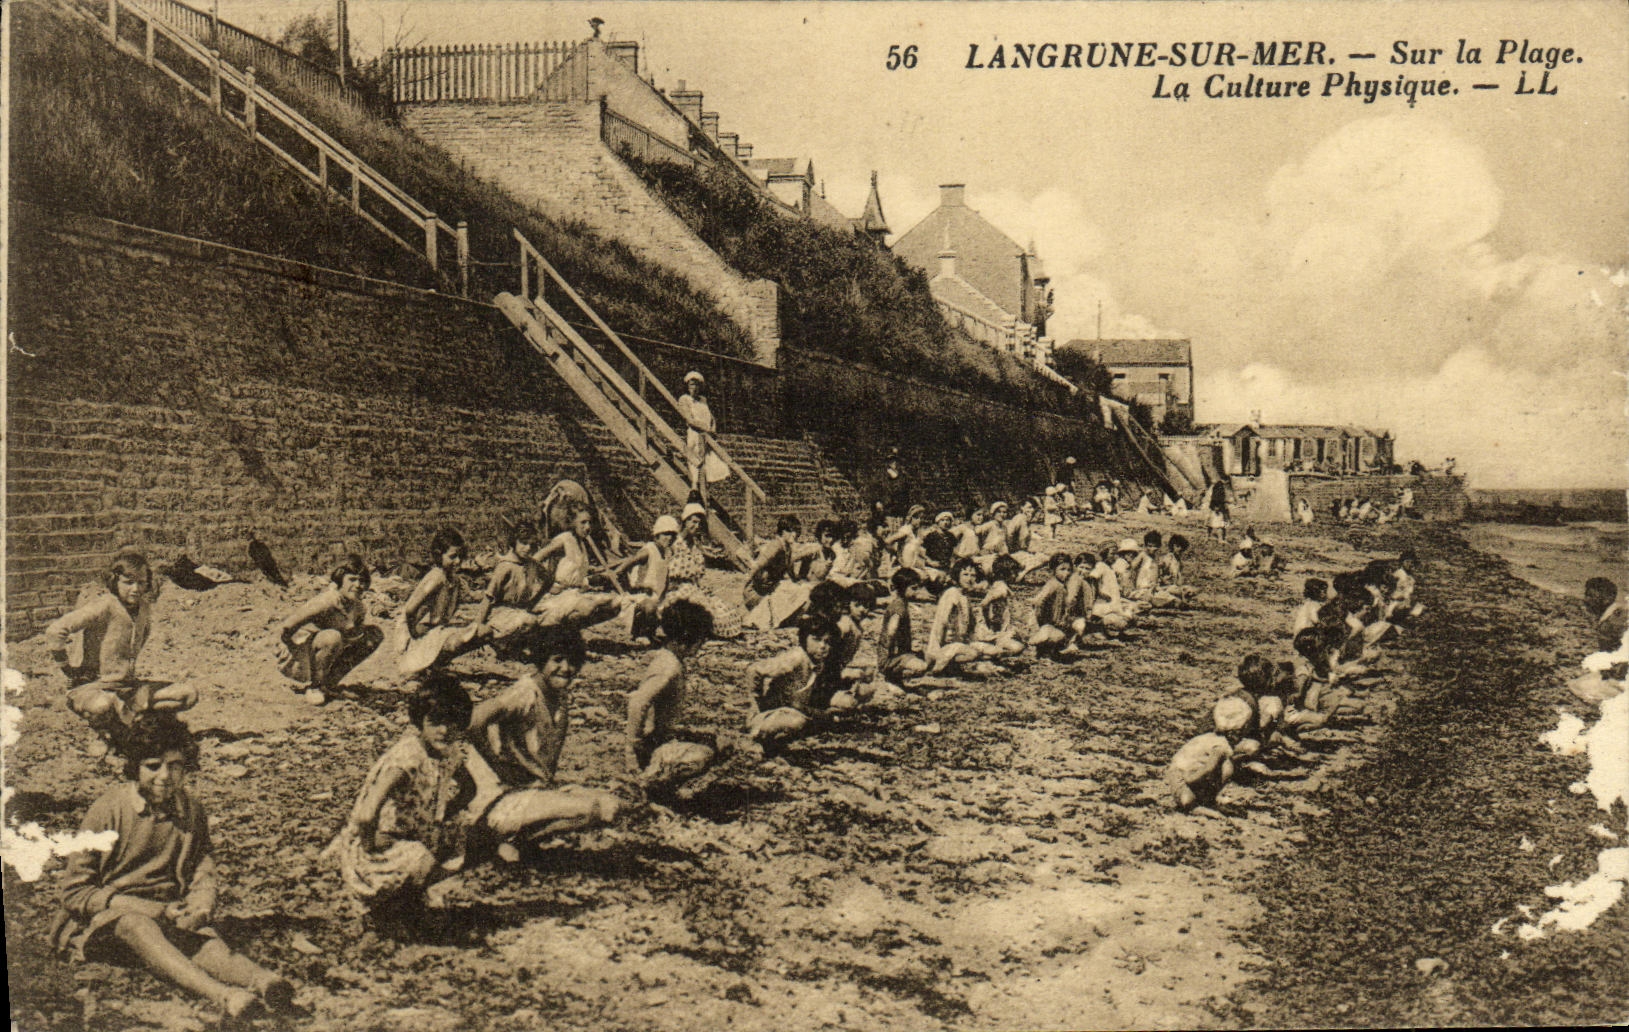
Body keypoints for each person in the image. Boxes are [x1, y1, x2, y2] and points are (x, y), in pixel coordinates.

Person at [53, 714, 294, 1019]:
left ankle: (264, 982)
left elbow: (202, 866)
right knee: (136, 925)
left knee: (205, 942)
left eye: (175, 765)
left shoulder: (191, 809)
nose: (164, 776)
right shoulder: (108, 811)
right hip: (105, 923)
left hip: (169, 913)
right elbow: (75, 892)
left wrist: (201, 905)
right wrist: (147, 909)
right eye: (153, 766)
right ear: (135, 768)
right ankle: (224, 996)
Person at [463, 630, 624, 861]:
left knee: (610, 807)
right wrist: (497, 764)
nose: (566, 668)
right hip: (498, 797)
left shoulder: (559, 698)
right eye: (557, 660)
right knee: (590, 810)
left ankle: (516, 837)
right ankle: (503, 840)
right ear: (542, 661)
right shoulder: (525, 694)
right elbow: (474, 720)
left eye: (572, 662)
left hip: (528, 790)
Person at [324, 675, 474, 912]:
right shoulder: (407, 758)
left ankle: (412, 886)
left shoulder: (449, 753)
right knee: (422, 862)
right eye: (435, 721)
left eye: (452, 722)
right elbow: (367, 813)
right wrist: (371, 845)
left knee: (460, 832)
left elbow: (469, 789)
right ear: (420, 720)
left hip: (413, 829)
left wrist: (443, 817)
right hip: (379, 837)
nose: (444, 730)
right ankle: (391, 899)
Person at [46, 551, 197, 754]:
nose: (135, 589)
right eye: (128, 582)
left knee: (187, 695)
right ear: (115, 581)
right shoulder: (104, 605)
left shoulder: (143, 607)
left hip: (127, 688)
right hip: (92, 688)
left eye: (141, 583)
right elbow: (56, 631)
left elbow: (141, 637)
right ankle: (104, 732)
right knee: (102, 705)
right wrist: (68, 669)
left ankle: (132, 721)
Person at [625, 600, 717, 782]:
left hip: (661, 735)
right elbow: (637, 703)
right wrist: (632, 750)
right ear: (688, 640)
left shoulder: (671, 659)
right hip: (653, 741)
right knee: (704, 756)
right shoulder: (668, 669)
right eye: (700, 641)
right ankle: (651, 781)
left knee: (714, 741)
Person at [276, 555, 385, 706]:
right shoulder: (326, 601)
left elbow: (353, 637)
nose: (358, 585)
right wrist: (294, 649)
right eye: (352, 579)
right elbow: (287, 627)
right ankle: (315, 687)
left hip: (324, 654)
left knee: (373, 634)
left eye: (362, 581)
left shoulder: (358, 608)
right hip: (300, 657)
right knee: (332, 637)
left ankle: (329, 683)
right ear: (341, 579)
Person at [394, 528, 478, 679]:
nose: (457, 561)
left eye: (460, 556)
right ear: (439, 555)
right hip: (415, 630)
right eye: (452, 557)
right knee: (461, 638)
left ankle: (433, 664)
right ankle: (422, 664)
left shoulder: (454, 579)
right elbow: (410, 609)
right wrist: (413, 632)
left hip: (432, 628)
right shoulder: (436, 578)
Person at [532, 502, 628, 630]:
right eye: (583, 522)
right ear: (572, 522)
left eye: (589, 522)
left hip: (576, 593)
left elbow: (578, 574)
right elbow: (534, 560)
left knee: (617, 603)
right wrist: (547, 584)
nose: (587, 527)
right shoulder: (564, 540)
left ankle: (568, 633)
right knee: (588, 607)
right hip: (558, 596)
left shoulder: (581, 543)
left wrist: (600, 576)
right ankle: (555, 632)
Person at [746, 615, 838, 746]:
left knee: (826, 718)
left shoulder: (817, 662)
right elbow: (754, 670)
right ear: (804, 639)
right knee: (798, 721)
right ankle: (760, 740)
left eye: (827, 641)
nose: (823, 646)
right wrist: (755, 704)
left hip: (789, 708)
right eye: (816, 640)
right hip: (769, 714)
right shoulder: (796, 658)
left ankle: (775, 740)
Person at [468, 522, 552, 652]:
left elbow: (549, 579)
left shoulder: (531, 564)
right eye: (523, 543)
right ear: (513, 542)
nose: (528, 548)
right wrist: (477, 625)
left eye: (532, 544)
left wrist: (534, 601)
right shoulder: (506, 566)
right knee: (528, 621)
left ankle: (517, 644)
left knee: (549, 616)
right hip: (502, 612)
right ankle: (499, 643)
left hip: (521, 609)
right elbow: (489, 596)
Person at [664, 500, 740, 639]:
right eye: (693, 521)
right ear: (685, 521)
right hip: (677, 590)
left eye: (698, 523)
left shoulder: (695, 546)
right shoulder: (674, 543)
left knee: (725, 610)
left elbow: (698, 574)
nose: (696, 526)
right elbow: (665, 571)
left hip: (694, 588)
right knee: (705, 610)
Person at [1164, 695, 1252, 815]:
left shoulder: (1210, 737)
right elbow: (1209, 767)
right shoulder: (1221, 746)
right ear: (1236, 731)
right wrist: (1191, 779)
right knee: (1227, 766)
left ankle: (1203, 800)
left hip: (1177, 779)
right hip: (1184, 787)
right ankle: (1198, 804)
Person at [608, 514, 678, 643]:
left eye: (672, 535)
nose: (669, 538)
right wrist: (618, 571)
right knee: (650, 607)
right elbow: (631, 560)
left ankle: (650, 633)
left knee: (671, 609)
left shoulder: (666, 554)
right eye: (665, 534)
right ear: (657, 535)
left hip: (655, 597)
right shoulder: (649, 550)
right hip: (639, 597)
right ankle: (640, 633)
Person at [925, 559, 995, 675]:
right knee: (973, 654)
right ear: (957, 576)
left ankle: (953, 663)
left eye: (973, 575)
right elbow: (942, 622)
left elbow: (971, 625)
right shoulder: (952, 593)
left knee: (993, 651)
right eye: (965, 575)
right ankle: (942, 664)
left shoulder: (965, 595)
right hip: (945, 644)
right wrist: (937, 649)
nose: (969, 579)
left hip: (960, 641)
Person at [877, 568, 930, 685]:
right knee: (922, 666)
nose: (916, 592)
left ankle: (896, 675)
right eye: (913, 588)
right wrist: (893, 645)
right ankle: (892, 676)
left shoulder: (901, 603)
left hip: (895, 654)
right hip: (890, 657)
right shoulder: (899, 606)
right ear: (902, 587)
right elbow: (892, 629)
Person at [1028, 554, 1087, 656]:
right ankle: (1041, 644)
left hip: (1055, 622)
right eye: (1062, 569)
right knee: (1059, 636)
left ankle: (1049, 648)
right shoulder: (1053, 585)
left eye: (1069, 570)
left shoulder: (1062, 585)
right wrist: (1039, 622)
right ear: (1053, 570)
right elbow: (1039, 602)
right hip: (1046, 623)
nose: (1066, 573)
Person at [677, 371, 722, 497]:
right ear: (687, 386)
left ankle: (705, 491)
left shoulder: (703, 400)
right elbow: (690, 420)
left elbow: (712, 418)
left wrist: (713, 429)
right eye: (692, 385)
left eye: (697, 385)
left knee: (708, 461)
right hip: (695, 434)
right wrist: (706, 429)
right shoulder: (684, 399)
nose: (694, 388)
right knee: (695, 460)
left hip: (707, 436)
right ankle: (695, 488)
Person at [975, 555, 1028, 659]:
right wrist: (988, 619)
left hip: (999, 625)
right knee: (1017, 647)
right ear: (1006, 573)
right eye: (1014, 572)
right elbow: (984, 604)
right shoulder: (1001, 588)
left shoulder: (1000, 585)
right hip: (997, 629)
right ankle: (994, 654)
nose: (1016, 575)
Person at [1155, 534, 1199, 603]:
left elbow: (1178, 575)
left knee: (1192, 590)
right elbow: (1158, 570)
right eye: (1177, 546)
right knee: (1176, 591)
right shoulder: (1168, 558)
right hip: (1166, 586)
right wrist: (1162, 579)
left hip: (1175, 585)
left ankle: (1181, 598)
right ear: (1172, 546)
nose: (1179, 549)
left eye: (1181, 547)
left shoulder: (1178, 560)